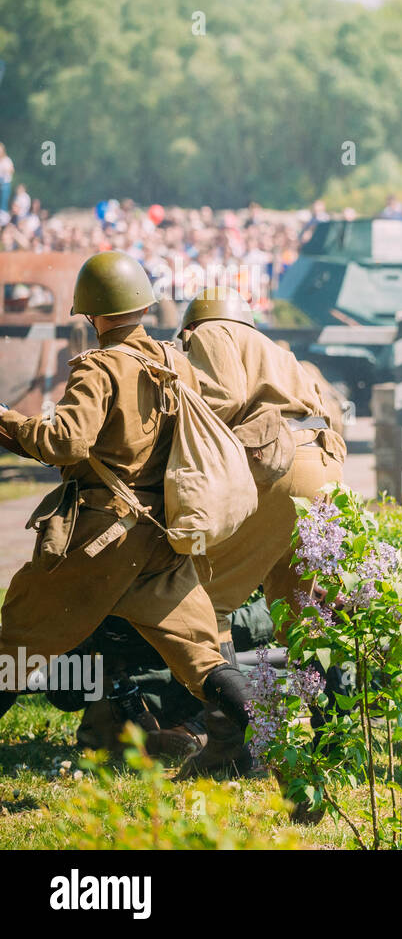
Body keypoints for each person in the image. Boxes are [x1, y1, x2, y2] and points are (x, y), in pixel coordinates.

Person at [0, 252, 254, 753]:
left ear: (91, 312)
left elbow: (64, 444)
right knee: (203, 661)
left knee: (16, 644)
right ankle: (272, 742)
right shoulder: (173, 361)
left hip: (99, 540)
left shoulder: (100, 367)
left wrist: (7, 421)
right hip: (162, 538)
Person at [175, 285, 346, 775]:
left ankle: (230, 747)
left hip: (275, 465)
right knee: (306, 613)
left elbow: (223, 398)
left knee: (205, 601)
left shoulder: (206, 335)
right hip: (321, 465)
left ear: (191, 326)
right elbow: (330, 408)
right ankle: (331, 742)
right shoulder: (277, 351)